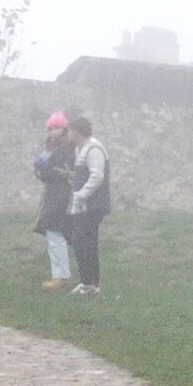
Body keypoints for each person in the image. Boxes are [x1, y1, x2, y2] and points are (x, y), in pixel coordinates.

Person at [63, 114, 112, 296]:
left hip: (91, 205)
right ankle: (88, 282)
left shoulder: (93, 149)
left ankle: (90, 284)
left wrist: (81, 194)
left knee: (85, 242)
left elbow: (97, 176)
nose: (68, 134)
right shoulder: (81, 149)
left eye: (70, 131)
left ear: (77, 132)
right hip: (84, 206)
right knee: (81, 242)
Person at [33, 112, 77, 289]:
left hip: (60, 195)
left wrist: (44, 171)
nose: (53, 131)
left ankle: (61, 276)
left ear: (64, 128)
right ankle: (59, 275)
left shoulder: (65, 148)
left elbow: (59, 171)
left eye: (57, 127)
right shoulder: (52, 147)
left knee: (56, 234)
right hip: (53, 193)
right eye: (50, 128)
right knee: (53, 234)